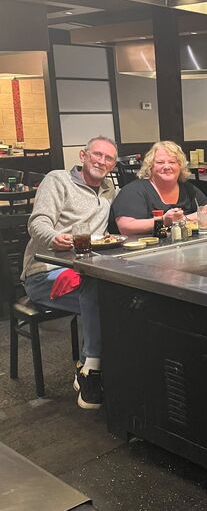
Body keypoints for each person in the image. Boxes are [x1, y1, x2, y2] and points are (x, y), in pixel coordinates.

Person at [21, 136, 118, 409]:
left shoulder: (109, 191)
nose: (101, 161)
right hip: (44, 273)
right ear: (83, 155)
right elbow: (38, 222)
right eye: (97, 155)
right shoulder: (58, 180)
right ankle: (93, 372)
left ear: (113, 165)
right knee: (99, 294)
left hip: (84, 272)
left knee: (117, 294)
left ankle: (89, 366)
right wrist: (54, 238)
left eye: (108, 158)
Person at [110, 141, 207, 234]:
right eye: (160, 162)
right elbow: (126, 227)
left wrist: (183, 219)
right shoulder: (133, 191)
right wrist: (163, 221)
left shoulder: (188, 189)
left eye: (172, 162)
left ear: (180, 166)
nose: (167, 167)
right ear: (150, 167)